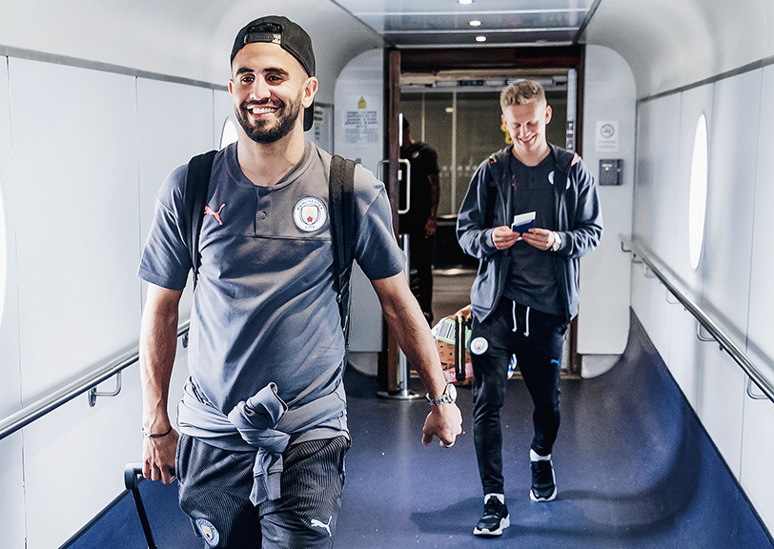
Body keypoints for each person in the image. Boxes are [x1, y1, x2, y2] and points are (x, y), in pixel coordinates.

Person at [137, 15, 463, 548]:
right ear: (230, 87)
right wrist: (156, 424)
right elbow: (161, 311)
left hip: (307, 432)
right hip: (213, 434)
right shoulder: (191, 186)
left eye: (274, 76)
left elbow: (398, 303)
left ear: (308, 90)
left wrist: (439, 395)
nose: (258, 91)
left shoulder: (348, 190)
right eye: (245, 77)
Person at [456, 79, 602, 537]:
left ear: (547, 117)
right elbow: (465, 231)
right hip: (496, 308)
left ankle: (541, 455)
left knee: (548, 405)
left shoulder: (572, 169)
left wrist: (561, 241)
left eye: (532, 123)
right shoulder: (493, 170)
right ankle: (494, 500)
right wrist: (487, 240)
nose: (524, 132)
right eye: (516, 125)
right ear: (505, 122)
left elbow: (592, 231)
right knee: (487, 403)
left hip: (547, 310)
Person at [398, 117, 440, 323]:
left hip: (421, 219)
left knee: (423, 266)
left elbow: (434, 185)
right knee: (400, 266)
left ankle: (425, 310)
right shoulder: (393, 153)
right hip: (399, 220)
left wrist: (432, 217)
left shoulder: (425, 153)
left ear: (406, 129)